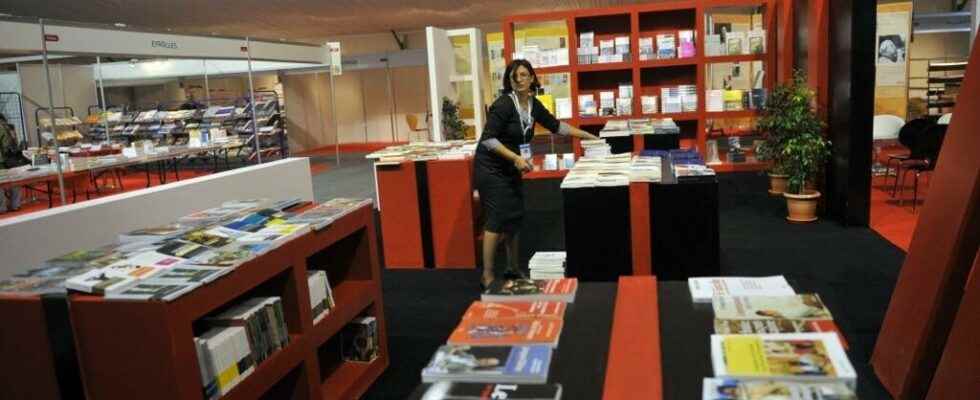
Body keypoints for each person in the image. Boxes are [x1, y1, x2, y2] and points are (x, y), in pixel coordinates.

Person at [474, 59, 599, 289]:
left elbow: (557, 126)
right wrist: (515, 158)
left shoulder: (533, 104)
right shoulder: (503, 104)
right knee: (497, 217)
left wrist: (589, 136)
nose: (519, 80)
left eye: (523, 75)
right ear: (509, 81)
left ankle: (512, 268)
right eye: (514, 76)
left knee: (515, 215)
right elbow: (489, 139)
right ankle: (488, 275)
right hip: (491, 167)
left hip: (512, 165)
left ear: (532, 78)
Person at [0, 114, 28, 212]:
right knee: (14, 181)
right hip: (13, 159)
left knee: (1, 183)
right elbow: (13, 143)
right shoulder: (9, 127)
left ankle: (2, 207)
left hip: (2, 160)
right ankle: (15, 204)